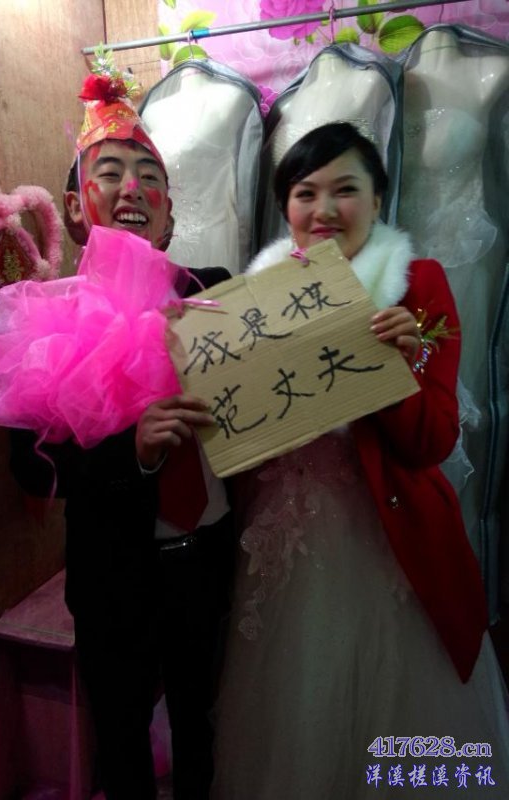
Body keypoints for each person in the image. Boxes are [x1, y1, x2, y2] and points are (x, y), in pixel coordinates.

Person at [210, 122, 509, 799]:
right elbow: (241, 444)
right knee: (294, 727)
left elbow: (433, 440)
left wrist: (393, 366)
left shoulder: (416, 286)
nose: (323, 209)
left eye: (345, 190)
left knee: (399, 730)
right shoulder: (252, 306)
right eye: (304, 192)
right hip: (287, 548)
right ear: (285, 207)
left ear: (378, 199)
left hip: (389, 551)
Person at [7, 61, 236, 800]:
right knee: (123, 743)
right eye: (111, 173)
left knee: (205, 728)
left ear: (170, 214)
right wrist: (130, 454)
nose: (133, 188)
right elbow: (31, 468)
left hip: (212, 559)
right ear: (78, 207)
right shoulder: (46, 317)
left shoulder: (217, 293)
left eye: (150, 178)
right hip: (113, 575)